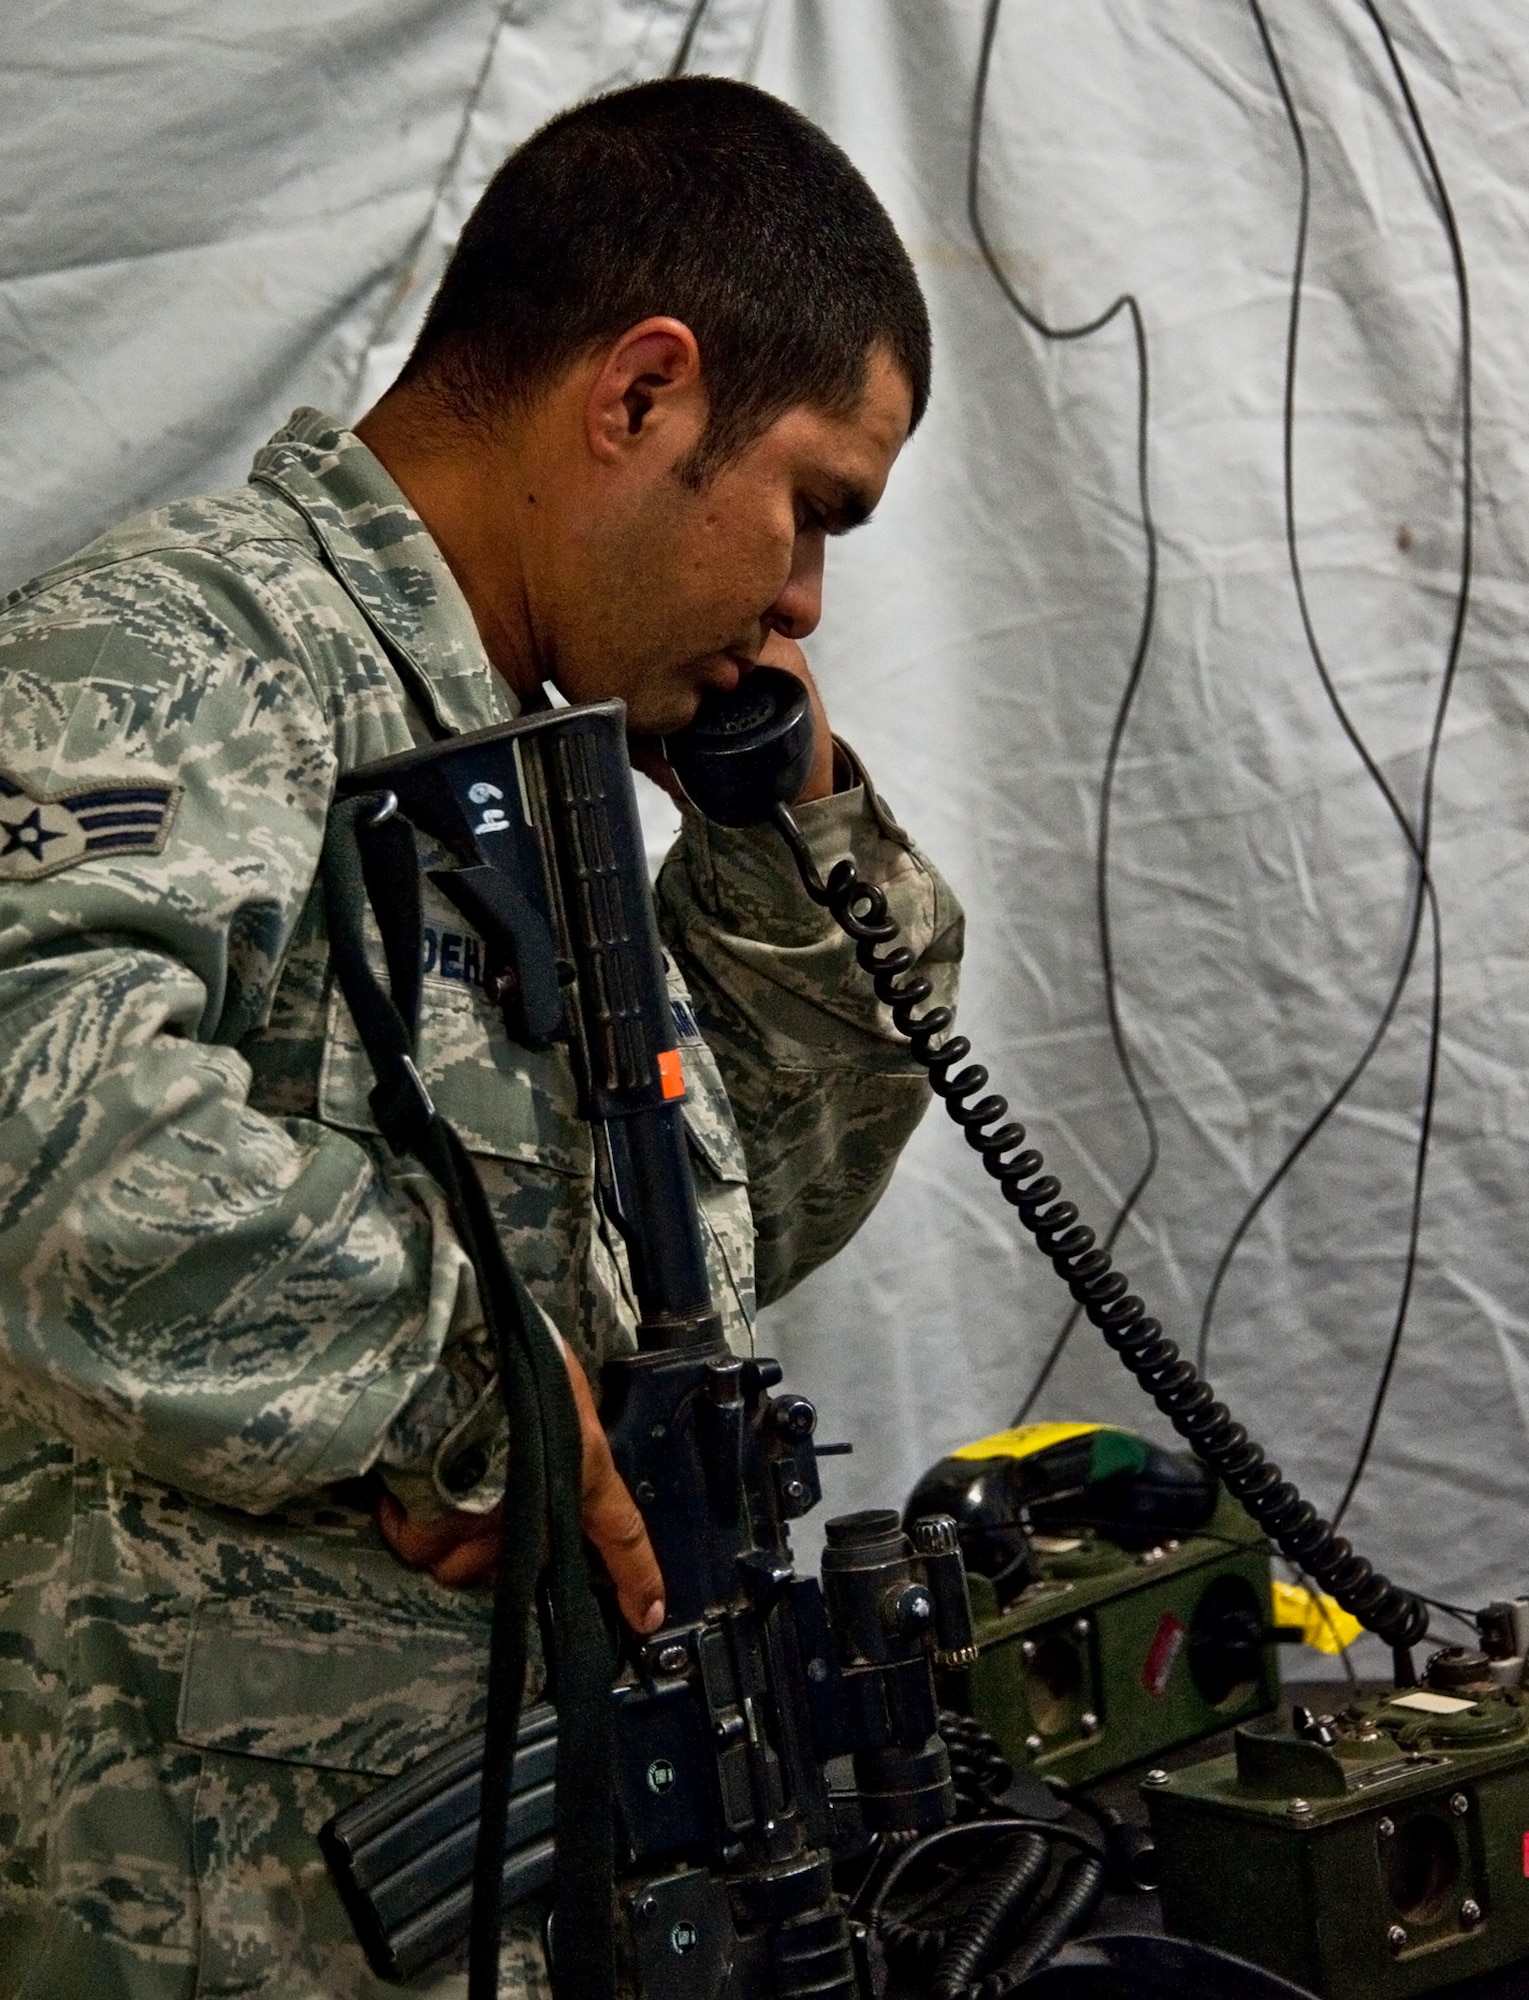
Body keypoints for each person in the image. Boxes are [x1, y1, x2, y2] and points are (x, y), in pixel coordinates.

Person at [0, 76, 962, 1999]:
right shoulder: (182, 652)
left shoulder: (539, 769)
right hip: (211, 1921)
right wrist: (479, 1394)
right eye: (810, 510)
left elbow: (735, 1216)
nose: (802, 600)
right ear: (640, 395)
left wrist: (793, 838)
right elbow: (41, 1146)